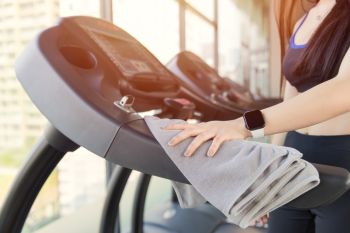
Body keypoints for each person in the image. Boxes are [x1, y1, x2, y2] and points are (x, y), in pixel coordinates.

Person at [164, 0, 350, 232]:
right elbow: (290, 99)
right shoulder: (302, 21)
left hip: (342, 157)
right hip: (295, 157)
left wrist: (243, 126)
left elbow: (344, 90)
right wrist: (268, 174)